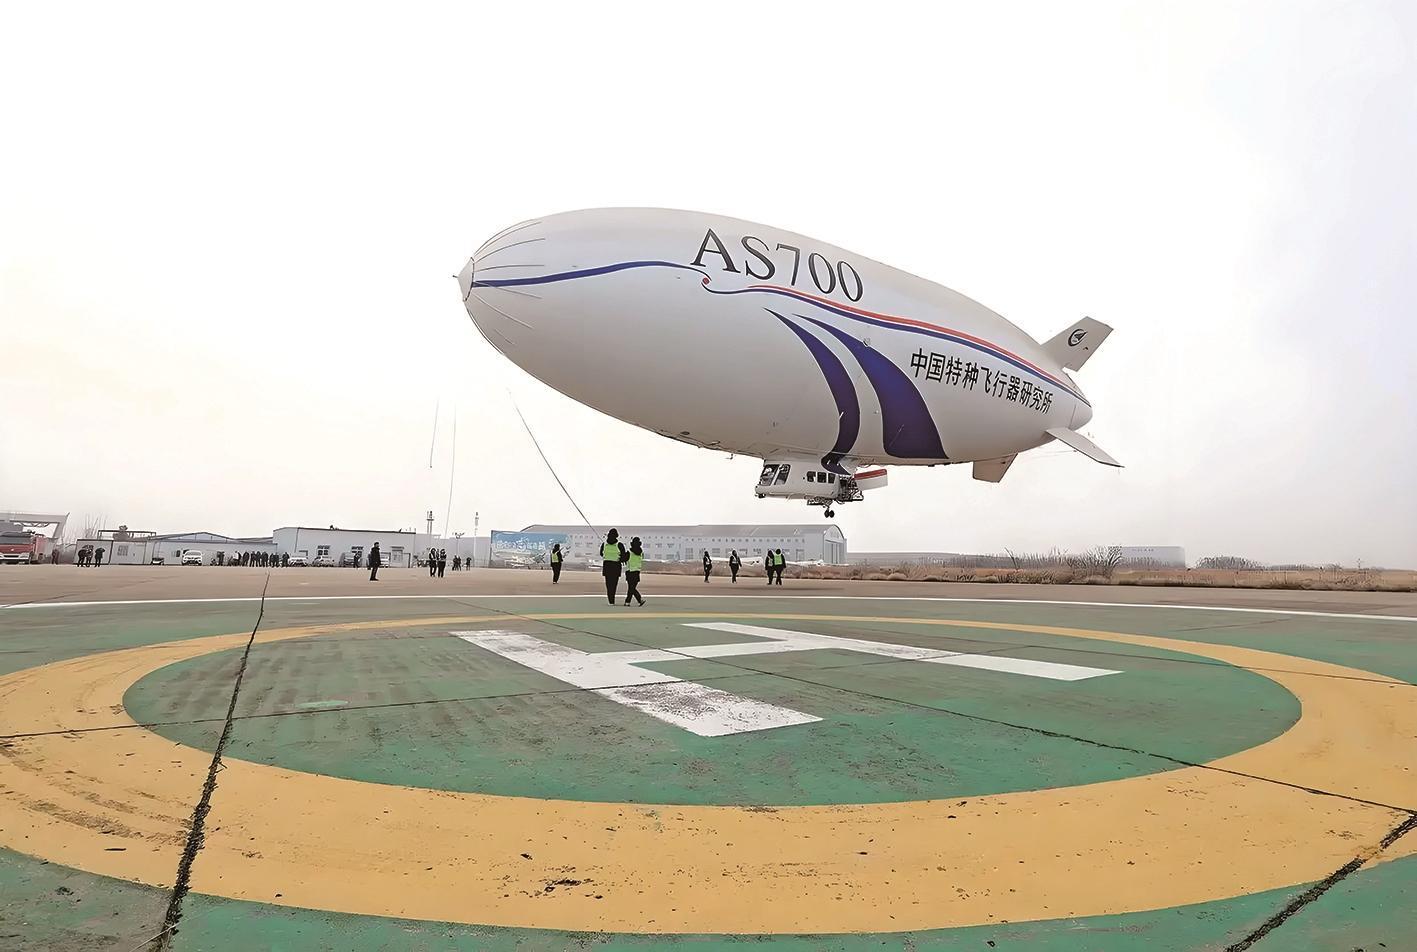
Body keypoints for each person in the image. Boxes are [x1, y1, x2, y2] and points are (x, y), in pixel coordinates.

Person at [601, 529, 627, 604]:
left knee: (608, 584)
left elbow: (601, 553)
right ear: (616, 536)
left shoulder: (604, 544)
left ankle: (610, 600)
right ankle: (612, 599)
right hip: (616, 566)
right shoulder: (619, 545)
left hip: (607, 565)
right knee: (614, 584)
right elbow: (623, 556)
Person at [624, 537, 646, 606]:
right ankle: (630, 601)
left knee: (631, 588)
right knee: (632, 588)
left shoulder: (629, 552)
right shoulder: (641, 553)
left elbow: (624, 559)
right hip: (637, 571)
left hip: (630, 571)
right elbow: (641, 559)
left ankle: (635, 600)